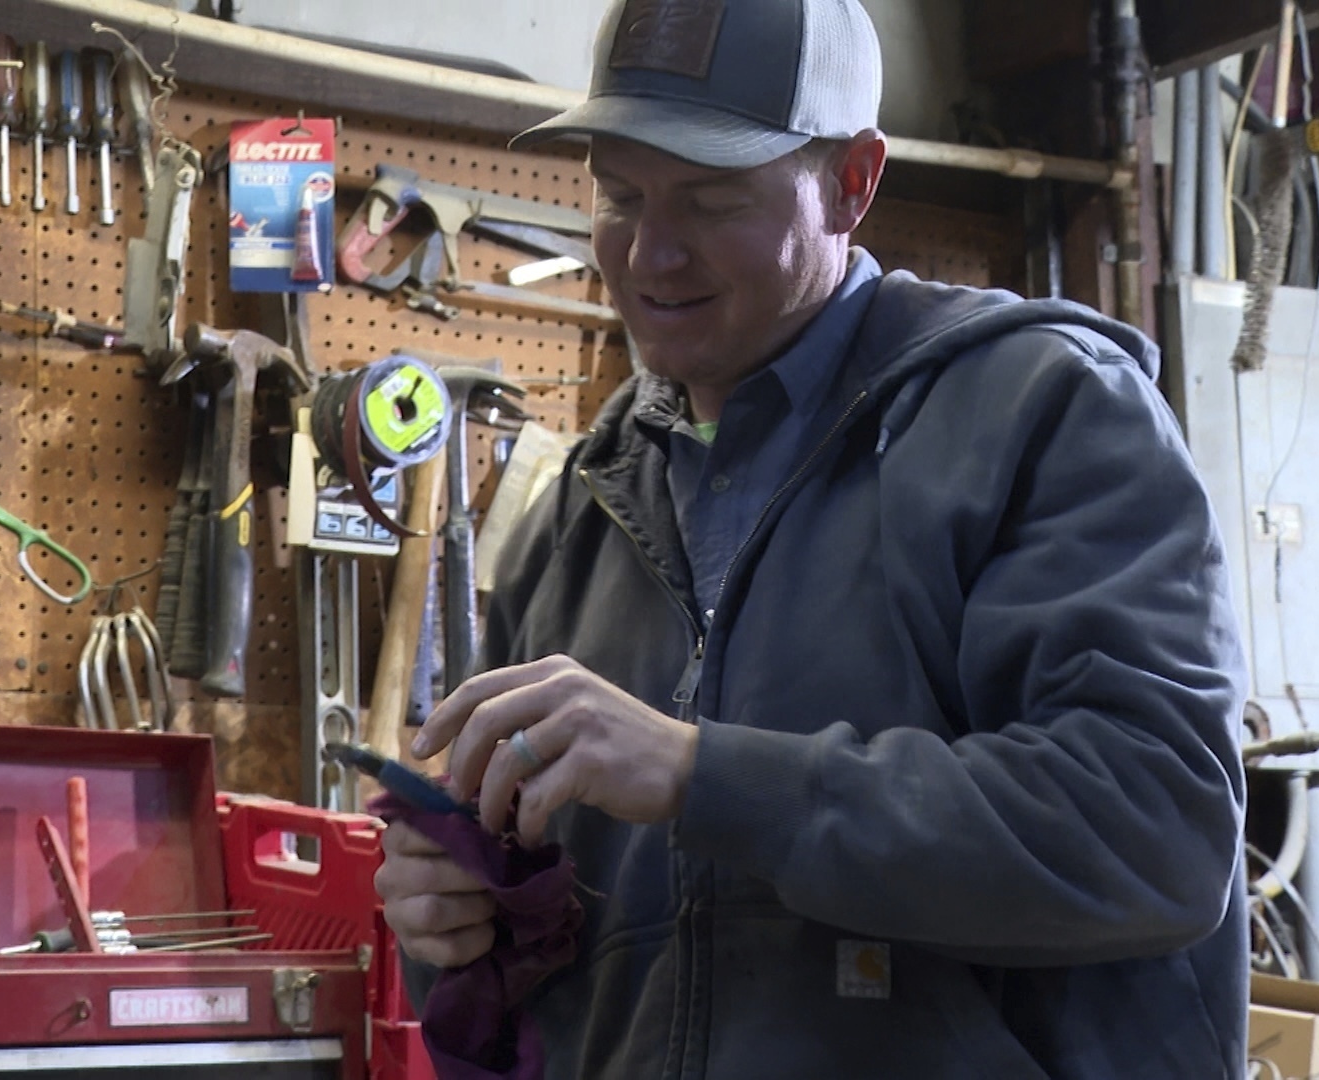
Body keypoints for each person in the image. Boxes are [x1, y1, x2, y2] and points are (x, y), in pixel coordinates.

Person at [373, 0, 1251, 1076]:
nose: (648, 252)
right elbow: (561, 970)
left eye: (710, 199)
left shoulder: (1043, 415)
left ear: (853, 183)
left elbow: (1155, 833)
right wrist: (456, 922)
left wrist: (705, 778)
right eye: (619, 196)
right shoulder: (582, 505)